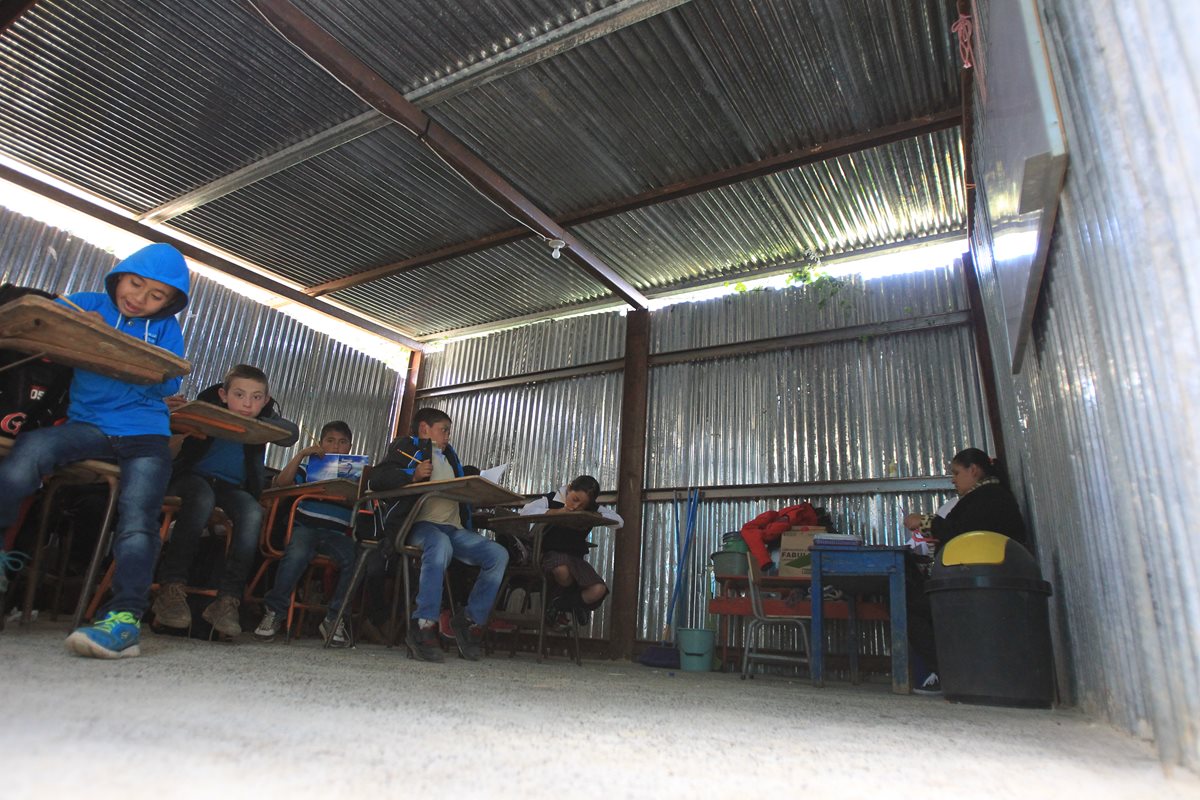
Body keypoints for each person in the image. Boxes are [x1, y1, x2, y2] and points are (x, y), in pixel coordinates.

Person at [0, 243, 190, 658]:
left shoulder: (165, 330)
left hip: (145, 434)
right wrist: (71, 325)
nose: (139, 298)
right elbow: (35, 325)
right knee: (29, 452)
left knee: (139, 521)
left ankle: (124, 620)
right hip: (87, 428)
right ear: (119, 276)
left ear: (170, 302)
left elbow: (168, 380)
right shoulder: (86, 304)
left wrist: (112, 346)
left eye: (156, 295)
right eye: (135, 283)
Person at [152, 364, 299, 637]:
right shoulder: (205, 408)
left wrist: (257, 422)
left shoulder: (261, 421)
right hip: (193, 479)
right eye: (240, 395)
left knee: (254, 512)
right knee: (202, 498)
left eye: (256, 397)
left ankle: (227, 600)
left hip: (232, 488)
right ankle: (171, 589)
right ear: (223, 394)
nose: (247, 403)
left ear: (265, 401)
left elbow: (292, 434)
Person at [368, 407, 507, 662]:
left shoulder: (449, 456)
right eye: (444, 430)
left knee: (498, 554)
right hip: (420, 526)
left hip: (453, 529)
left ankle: (468, 621)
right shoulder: (408, 447)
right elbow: (377, 478)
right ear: (424, 429)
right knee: (440, 544)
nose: (448, 436)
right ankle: (423, 624)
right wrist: (412, 474)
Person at [902, 447, 1028, 695]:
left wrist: (926, 522)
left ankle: (948, 671)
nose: (953, 479)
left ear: (974, 470)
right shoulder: (988, 497)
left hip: (982, 586)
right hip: (983, 582)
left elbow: (961, 533)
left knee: (909, 609)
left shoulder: (989, 498)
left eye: (956, 473)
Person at [254, 421, 359, 647]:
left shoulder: (355, 474)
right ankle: (274, 612)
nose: (336, 447)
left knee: (356, 559)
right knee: (297, 553)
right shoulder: (310, 466)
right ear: (320, 443)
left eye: (342, 443)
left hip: (336, 534)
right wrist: (302, 454)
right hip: (305, 528)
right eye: (330, 441)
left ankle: (334, 617)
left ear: (350, 447)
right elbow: (281, 484)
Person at [518, 475, 622, 628]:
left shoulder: (592, 508)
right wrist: (557, 512)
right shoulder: (552, 499)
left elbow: (619, 521)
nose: (575, 506)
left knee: (598, 590)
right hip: (550, 555)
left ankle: (560, 604)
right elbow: (525, 512)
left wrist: (591, 514)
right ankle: (574, 603)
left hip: (576, 559)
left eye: (581, 504)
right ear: (569, 488)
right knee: (562, 570)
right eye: (574, 499)